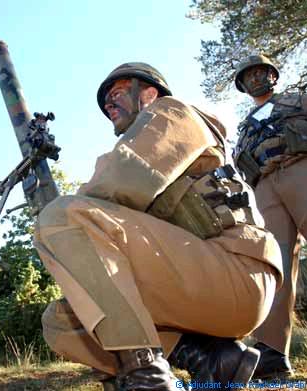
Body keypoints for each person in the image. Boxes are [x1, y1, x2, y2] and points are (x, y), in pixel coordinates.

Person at [35, 62, 283, 390]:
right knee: (61, 322)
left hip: (235, 271)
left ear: (149, 94)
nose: (109, 104)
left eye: (118, 93)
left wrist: (61, 209)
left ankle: (147, 379)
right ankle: (209, 358)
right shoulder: (141, 147)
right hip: (197, 280)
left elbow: (120, 181)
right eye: (108, 99)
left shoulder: (172, 112)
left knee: (60, 216)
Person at [232, 54, 307, 379]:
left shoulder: (301, 101)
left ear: (273, 76)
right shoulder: (245, 126)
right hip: (265, 189)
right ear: (242, 85)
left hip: (306, 172)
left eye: (261, 72)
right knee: (274, 270)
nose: (255, 78)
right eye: (248, 76)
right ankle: (273, 352)